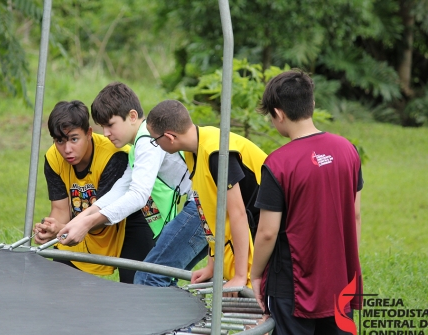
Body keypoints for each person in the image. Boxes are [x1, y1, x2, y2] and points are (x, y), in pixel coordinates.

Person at [58, 82, 208, 287]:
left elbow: (138, 195)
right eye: (102, 126)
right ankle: (183, 319)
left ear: (132, 116)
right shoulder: (140, 142)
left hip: (203, 207)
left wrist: (88, 223)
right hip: (203, 205)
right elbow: (123, 186)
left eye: (110, 125)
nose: (106, 133)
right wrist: (82, 218)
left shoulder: (148, 141)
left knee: (149, 278)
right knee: (160, 277)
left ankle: (185, 320)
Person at [250, 69, 363, 334]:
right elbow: (355, 215)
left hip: (292, 287)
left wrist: (255, 275)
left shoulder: (277, 164)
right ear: (311, 104)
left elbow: (267, 232)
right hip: (339, 280)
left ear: (278, 113)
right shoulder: (347, 150)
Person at [145, 99, 267, 295]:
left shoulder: (216, 153)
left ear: (169, 137)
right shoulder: (195, 150)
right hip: (249, 242)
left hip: (269, 238)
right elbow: (210, 213)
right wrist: (213, 266)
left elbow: (237, 214)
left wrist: (240, 276)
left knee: (258, 319)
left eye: (155, 140)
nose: (156, 145)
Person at [33, 100, 154, 284]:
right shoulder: (53, 157)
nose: (67, 150)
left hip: (130, 218)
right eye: (60, 141)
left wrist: (63, 229)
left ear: (89, 133)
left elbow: (103, 215)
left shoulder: (114, 155)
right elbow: (60, 209)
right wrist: (51, 229)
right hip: (85, 219)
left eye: (74, 139)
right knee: (58, 284)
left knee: (136, 289)